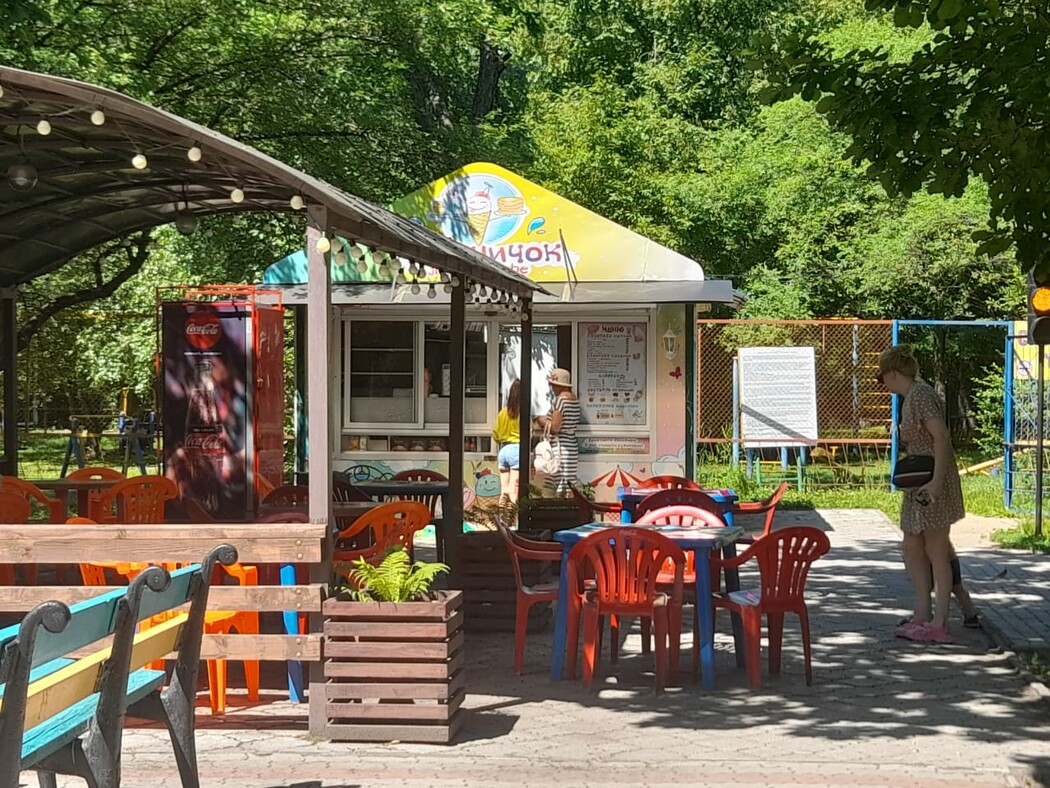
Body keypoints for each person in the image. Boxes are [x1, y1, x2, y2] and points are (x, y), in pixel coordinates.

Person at [878, 345, 966, 643]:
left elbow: (941, 436)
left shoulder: (922, 395)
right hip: (918, 483)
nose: (883, 383)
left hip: (932, 483)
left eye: (882, 376)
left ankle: (939, 622)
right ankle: (922, 614)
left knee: (936, 550)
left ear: (893, 373)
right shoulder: (911, 397)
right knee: (912, 546)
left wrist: (937, 483)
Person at [535, 368, 580, 496]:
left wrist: (541, 421)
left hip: (559, 446)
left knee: (557, 481)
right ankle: (570, 504)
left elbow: (555, 426)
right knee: (569, 481)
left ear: (560, 385)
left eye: (553, 385)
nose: (552, 388)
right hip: (571, 445)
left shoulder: (560, 400)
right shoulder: (575, 400)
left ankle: (558, 505)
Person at [492, 380, 521, 508]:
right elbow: (529, 432)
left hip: (503, 450)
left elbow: (495, 434)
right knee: (514, 490)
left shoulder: (503, 412)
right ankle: (515, 517)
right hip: (517, 450)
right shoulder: (523, 413)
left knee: (504, 490)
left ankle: (501, 515)